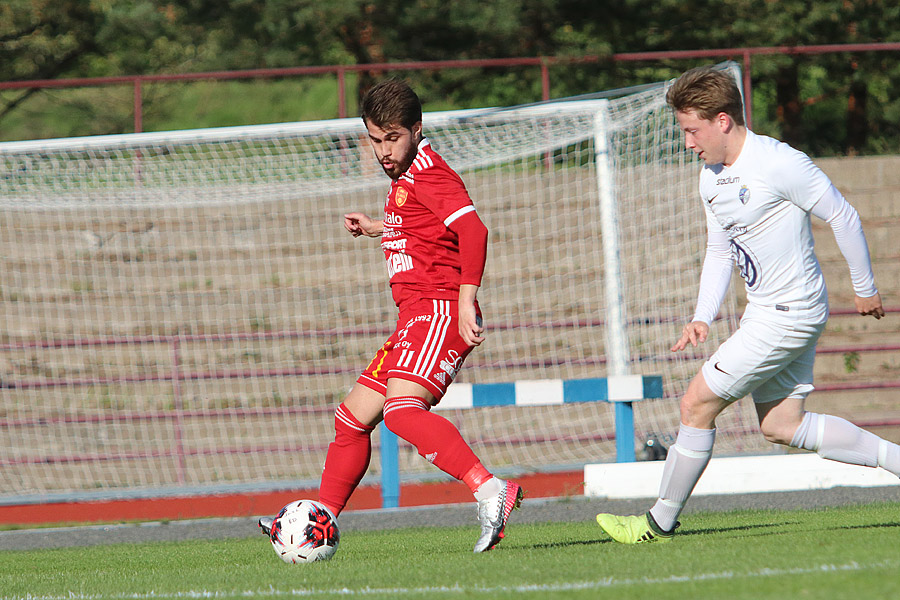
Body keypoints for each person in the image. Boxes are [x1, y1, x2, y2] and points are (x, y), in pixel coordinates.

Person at [596, 65, 899, 544]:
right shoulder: (710, 177)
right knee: (782, 425)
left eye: (692, 130)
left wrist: (865, 288)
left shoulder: (779, 162)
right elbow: (720, 251)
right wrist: (702, 315)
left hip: (789, 314)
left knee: (696, 402)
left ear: (722, 121)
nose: (688, 142)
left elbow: (843, 215)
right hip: (767, 312)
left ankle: (656, 523)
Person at [259, 79, 523, 553]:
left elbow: (473, 231)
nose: (383, 150)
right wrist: (379, 227)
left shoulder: (430, 173)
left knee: (402, 412)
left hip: (439, 308)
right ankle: (317, 522)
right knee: (352, 418)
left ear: (417, 129)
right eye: (375, 139)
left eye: (392, 138)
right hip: (414, 316)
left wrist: (466, 301)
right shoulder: (405, 178)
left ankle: (490, 489)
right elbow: (424, 226)